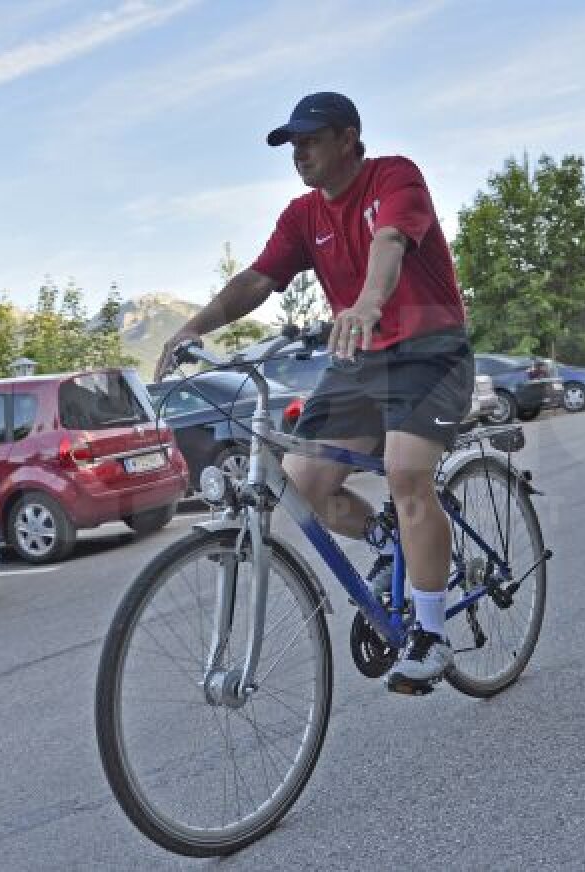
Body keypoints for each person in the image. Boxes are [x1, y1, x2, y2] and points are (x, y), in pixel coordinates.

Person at [156, 92, 473, 694]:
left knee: (406, 475)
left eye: (310, 139)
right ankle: (388, 542)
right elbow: (257, 277)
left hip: (431, 351)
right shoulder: (303, 216)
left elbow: (390, 243)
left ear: (348, 137)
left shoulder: (394, 177)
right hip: (361, 362)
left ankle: (431, 636)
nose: (298, 152)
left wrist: (368, 302)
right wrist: (195, 326)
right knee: (300, 488)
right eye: (291, 143)